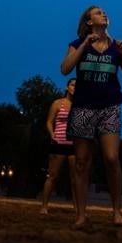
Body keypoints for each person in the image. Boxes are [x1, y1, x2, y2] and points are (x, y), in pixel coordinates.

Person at [59, 6, 122, 228]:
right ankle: (81, 216)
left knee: (112, 158)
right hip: (83, 107)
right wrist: (85, 44)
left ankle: (116, 211)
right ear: (88, 22)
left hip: (109, 108)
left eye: (104, 12)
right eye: (98, 12)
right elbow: (64, 69)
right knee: (81, 163)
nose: (104, 14)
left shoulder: (116, 48)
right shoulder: (77, 45)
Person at [39, 78, 76, 215]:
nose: (75, 87)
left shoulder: (79, 105)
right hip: (58, 143)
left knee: (75, 179)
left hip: (74, 146)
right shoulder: (57, 103)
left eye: (78, 86)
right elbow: (49, 121)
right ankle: (44, 206)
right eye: (72, 85)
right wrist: (52, 134)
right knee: (52, 176)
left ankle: (77, 208)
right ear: (67, 87)